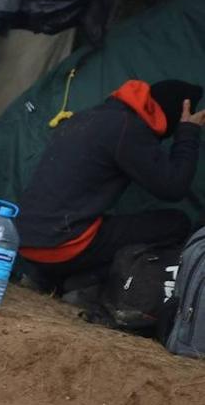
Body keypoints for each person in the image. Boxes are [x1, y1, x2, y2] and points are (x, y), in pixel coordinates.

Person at [19, 79, 204, 296]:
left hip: (25, 241)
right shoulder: (128, 128)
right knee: (176, 223)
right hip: (61, 246)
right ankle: (84, 283)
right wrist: (188, 132)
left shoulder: (90, 116)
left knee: (108, 224)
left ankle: (46, 276)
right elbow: (173, 187)